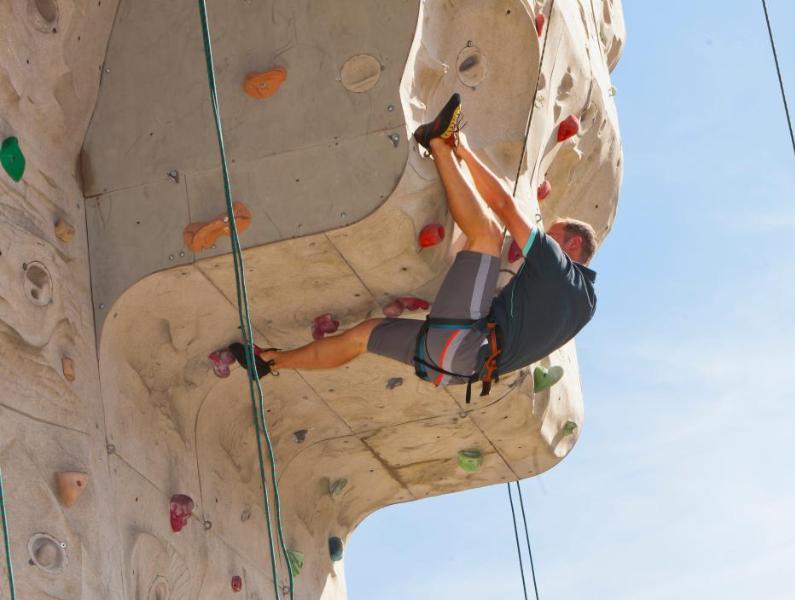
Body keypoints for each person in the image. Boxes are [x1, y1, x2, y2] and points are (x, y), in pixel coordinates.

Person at [229, 93, 599, 398]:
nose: (542, 239)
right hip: (453, 369)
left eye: (551, 234)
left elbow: (504, 208)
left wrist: (463, 151)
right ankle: (270, 362)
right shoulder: (580, 309)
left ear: (572, 244)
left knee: (485, 234)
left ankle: (436, 142)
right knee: (364, 335)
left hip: (463, 343)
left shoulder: (559, 270)